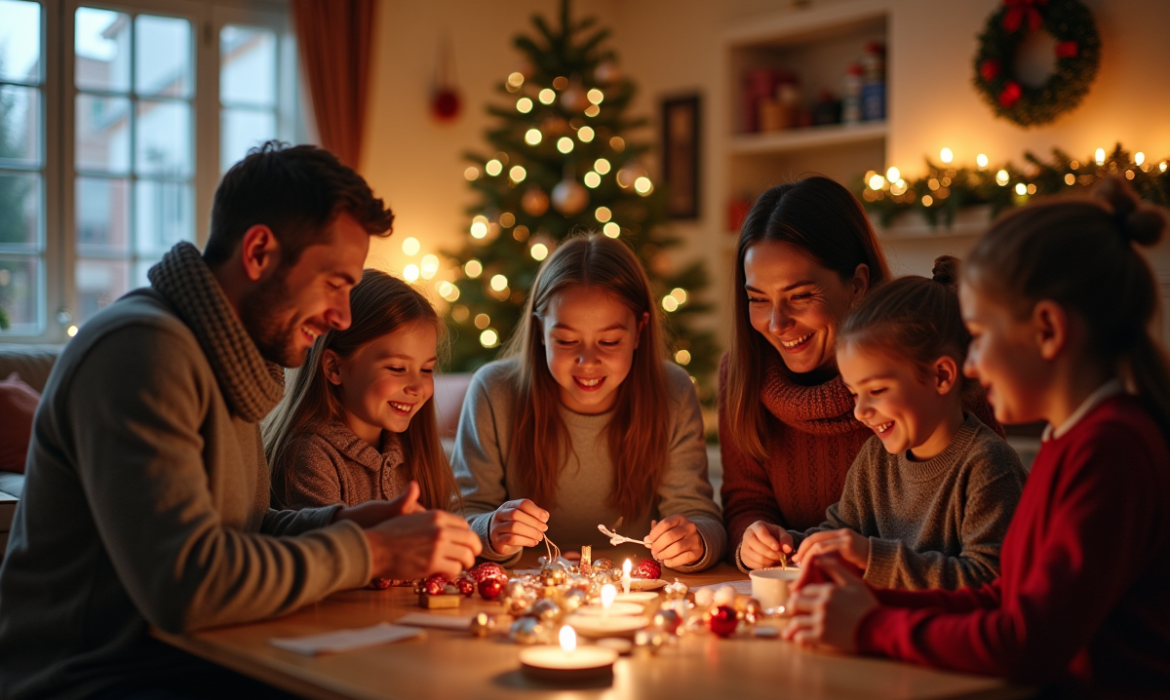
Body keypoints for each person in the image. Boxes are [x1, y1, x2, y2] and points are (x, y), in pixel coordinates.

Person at [0, 143, 481, 700]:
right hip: (92, 677)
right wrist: (373, 552)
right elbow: (186, 583)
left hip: (187, 658)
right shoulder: (142, 351)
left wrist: (350, 523)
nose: (342, 316)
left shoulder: (225, 355)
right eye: (335, 282)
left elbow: (241, 531)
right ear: (259, 252)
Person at [783, 178, 1170, 699]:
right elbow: (1003, 598)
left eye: (980, 337)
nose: (970, 364)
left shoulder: (1112, 451)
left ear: (1048, 331)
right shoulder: (1071, 438)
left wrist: (872, 627)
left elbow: (1026, 640)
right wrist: (873, 607)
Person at [721, 176, 1002, 572]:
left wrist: (867, 558)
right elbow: (817, 526)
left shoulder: (953, 405)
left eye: (800, 296)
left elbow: (992, 574)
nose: (778, 322)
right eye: (758, 299)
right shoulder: (876, 457)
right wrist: (769, 541)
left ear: (857, 284)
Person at [453, 234, 726, 571]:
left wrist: (694, 542)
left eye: (609, 341)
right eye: (567, 341)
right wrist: (492, 531)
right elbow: (461, 520)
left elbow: (702, 517)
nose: (588, 361)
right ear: (540, 330)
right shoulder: (494, 391)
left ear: (640, 330)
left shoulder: (672, 391)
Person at [752, 257, 1025, 591]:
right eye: (854, 394)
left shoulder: (988, 466)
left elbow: (988, 581)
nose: (860, 411)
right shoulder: (875, 460)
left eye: (877, 391)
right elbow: (837, 535)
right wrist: (782, 547)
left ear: (941, 376)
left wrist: (871, 557)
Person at [266, 269, 459, 512]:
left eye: (427, 370)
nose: (417, 387)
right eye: (398, 368)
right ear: (334, 368)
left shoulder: (415, 451)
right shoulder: (308, 459)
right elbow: (327, 547)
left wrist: (489, 534)